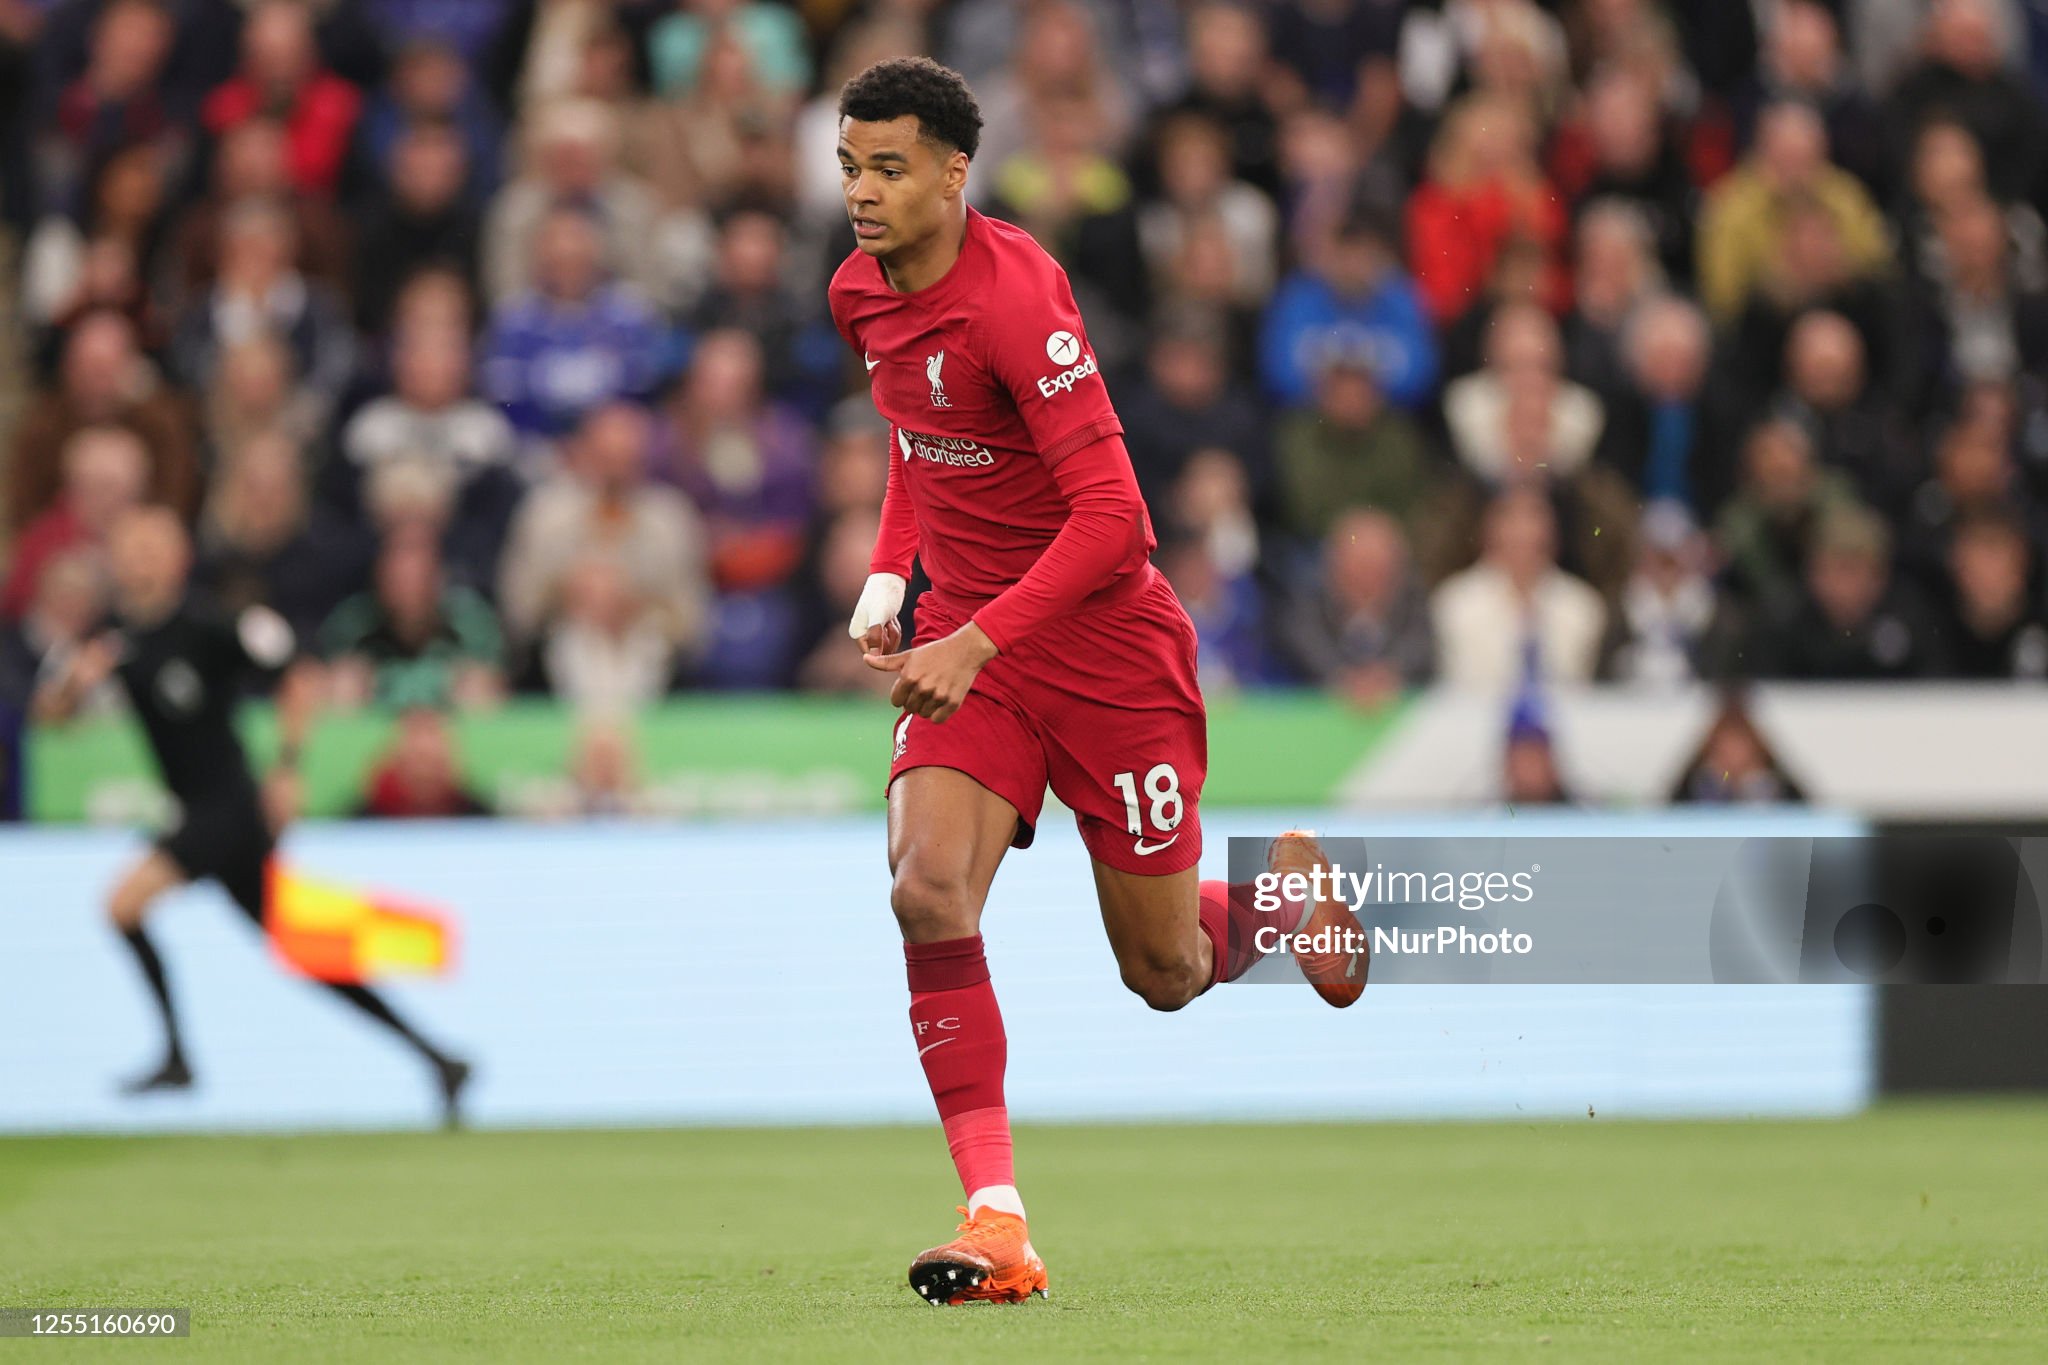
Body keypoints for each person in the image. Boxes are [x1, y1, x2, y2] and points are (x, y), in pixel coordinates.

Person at [826, 58, 1364, 1307]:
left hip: (1106, 652)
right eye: (849, 165)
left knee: (1163, 974)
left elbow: (1115, 519)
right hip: (979, 639)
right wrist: (890, 573)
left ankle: (1279, 906)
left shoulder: (1017, 300)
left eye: (888, 167)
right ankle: (996, 1219)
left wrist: (974, 640)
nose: (861, 192)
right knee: (924, 890)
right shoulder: (860, 290)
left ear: (955, 174)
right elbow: (917, 439)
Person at [30, 507, 471, 1122]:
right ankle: (439, 1058)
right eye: (130, 547)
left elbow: (299, 676)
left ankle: (178, 1056)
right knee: (302, 949)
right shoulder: (109, 642)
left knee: (121, 905)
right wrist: (76, 685)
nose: (140, 559)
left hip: (229, 810)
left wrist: (288, 769)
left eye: (153, 547)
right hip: (204, 815)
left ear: (180, 556)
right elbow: (49, 720)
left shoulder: (209, 627)